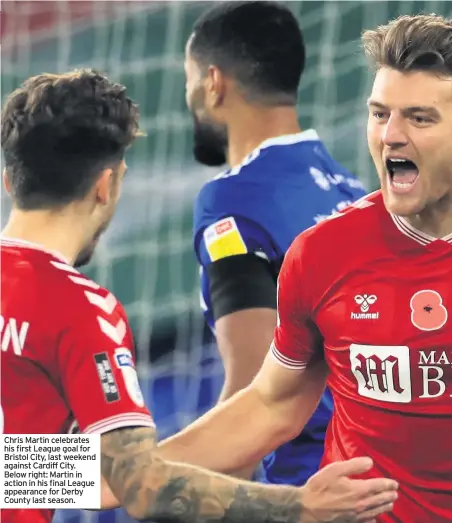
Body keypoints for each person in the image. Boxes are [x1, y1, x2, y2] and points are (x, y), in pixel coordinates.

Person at [0, 69, 397, 523]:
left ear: (10, 182)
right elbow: (142, 488)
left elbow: (56, 474)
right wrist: (300, 506)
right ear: (105, 186)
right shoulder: (78, 308)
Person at [158, 12, 452, 522]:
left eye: (420, 118)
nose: (391, 136)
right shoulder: (325, 246)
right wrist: (73, 471)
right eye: (380, 114)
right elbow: (269, 403)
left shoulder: (236, 198)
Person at [183, 0, 365, 484]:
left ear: (214, 82)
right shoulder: (357, 194)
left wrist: (36, 470)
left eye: (189, 79)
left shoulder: (233, 199)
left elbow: (255, 399)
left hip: (312, 488)